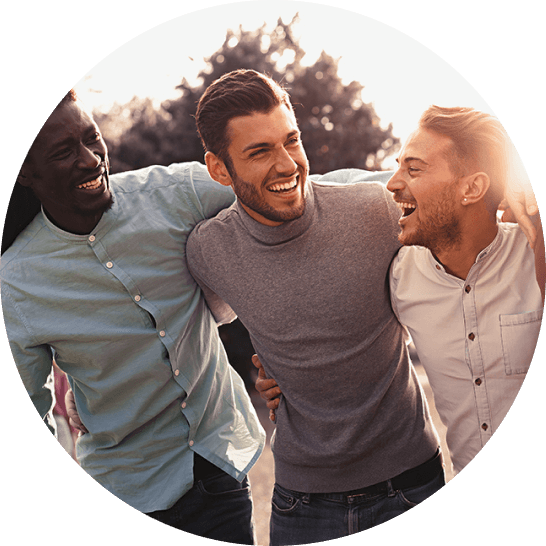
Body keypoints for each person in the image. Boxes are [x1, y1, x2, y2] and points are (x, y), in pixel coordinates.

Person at [186, 69, 443, 545]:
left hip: (412, 483)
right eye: (259, 151)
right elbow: (183, 330)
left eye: (291, 140)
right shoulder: (209, 250)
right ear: (219, 169)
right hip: (302, 505)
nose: (287, 165)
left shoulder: (375, 211)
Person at [1, 90, 265, 543]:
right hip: (127, 488)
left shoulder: (171, 195)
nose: (90, 160)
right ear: (26, 172)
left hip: (219, 467)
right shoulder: (17, 284)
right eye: (65, 152)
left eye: (91, 138)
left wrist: (408, 185)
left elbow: (283, 186)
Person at [386, 106, 543, 474]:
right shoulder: (399, 279)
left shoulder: (534, 251)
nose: (393, 183)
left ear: (472, 188)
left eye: (414, 168)